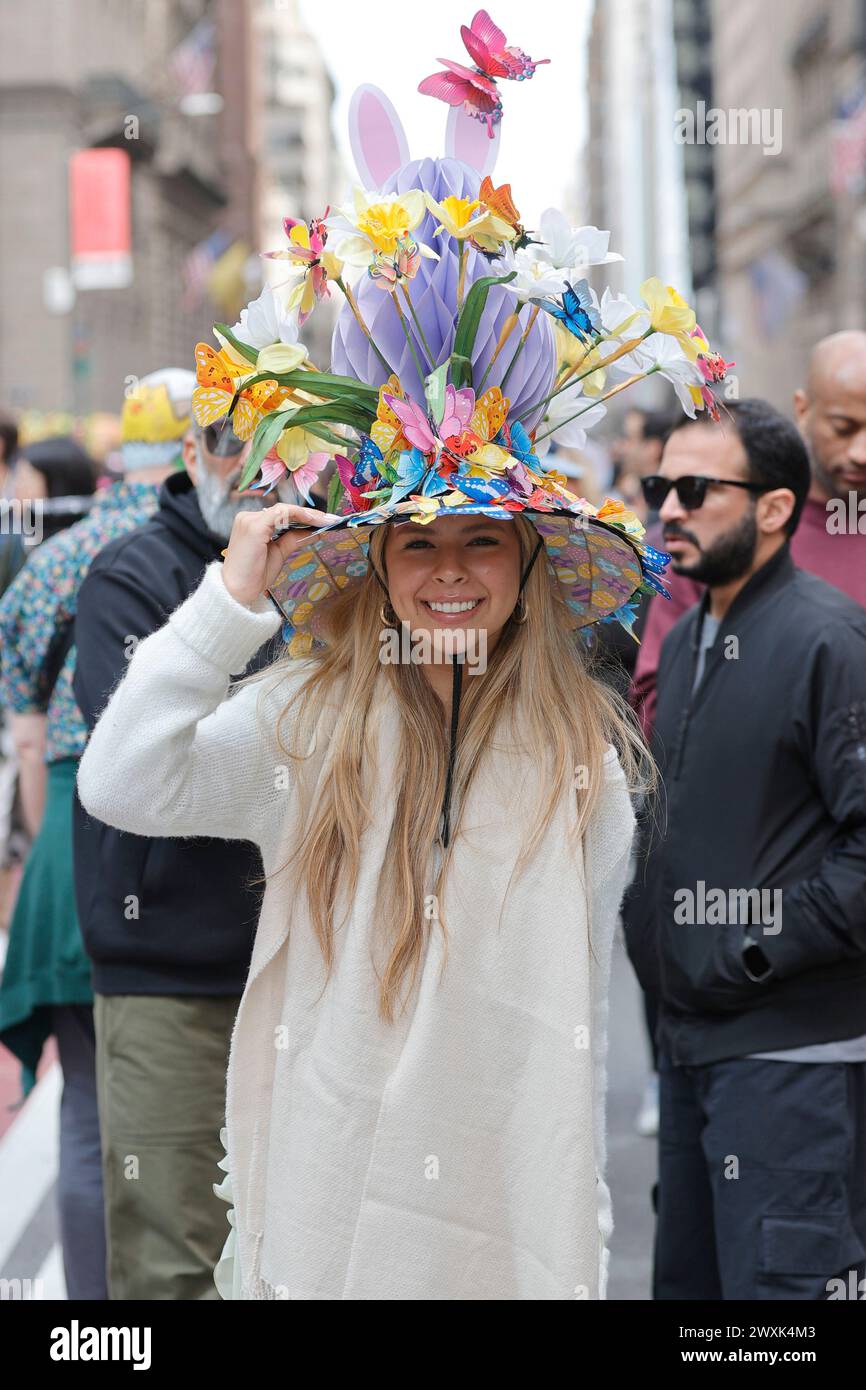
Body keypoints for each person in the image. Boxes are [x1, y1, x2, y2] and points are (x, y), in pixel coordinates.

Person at [622, 399, 866, 1300]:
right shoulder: (684, 641)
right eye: (659, 488)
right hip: (691, 1048)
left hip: (792, 1063)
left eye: (694, 489)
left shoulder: (829, 638)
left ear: (772, 508)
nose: (669, 510)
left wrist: (759, 950)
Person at [70, 417, 282, 1300]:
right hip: (169, 973)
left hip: (297, 968)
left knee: (288, 1252)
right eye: (234, 441)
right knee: (175, 1262)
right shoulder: (130, 573)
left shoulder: (326, 571)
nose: (257, 465)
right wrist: (232, 605)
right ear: (191, 453)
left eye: (285, 440)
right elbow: (132, 758)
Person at [0, 371, 193, 1300]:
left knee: (85, 1113)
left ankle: (90, 1327)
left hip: (67, 846)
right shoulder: (204, 550)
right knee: (188, 1115)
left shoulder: (49, 562)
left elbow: (27, 742)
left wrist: (45, 852)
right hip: (178, 851)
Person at [632, 330, 866, 735]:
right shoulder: (709, 532)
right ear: (804, 409)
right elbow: (658, 708)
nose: (861, 451)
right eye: (843, 427)